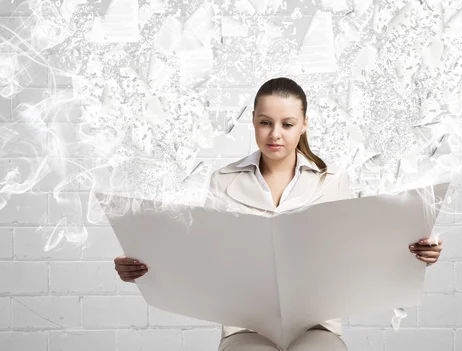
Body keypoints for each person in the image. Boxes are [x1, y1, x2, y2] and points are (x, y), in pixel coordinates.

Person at [115, 77, 443, 350]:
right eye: (265, 123)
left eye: (287, 124)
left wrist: (418, 249)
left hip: (317, 324)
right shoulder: (223, 180)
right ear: (253, 122)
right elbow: (202, 255)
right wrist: (144, 266)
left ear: (303, 126)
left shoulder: (332, 181)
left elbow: (361, 246)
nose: (275, 134)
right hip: (245, 325)